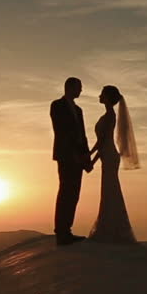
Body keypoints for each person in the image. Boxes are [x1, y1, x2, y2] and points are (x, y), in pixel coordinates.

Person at [88, 85, 140, 244]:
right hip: (107, 154)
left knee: (110, 190)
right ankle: (109, 227)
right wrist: (89, 156)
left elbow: (103, 142)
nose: (99, 96)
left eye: (102, 94)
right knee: (109, 191)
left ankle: (111, 230)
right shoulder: (108, 114)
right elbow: (100, 142)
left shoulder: (110, 115)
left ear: (108, 97)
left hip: (109, 155)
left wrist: (91, 160)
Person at [50, 77, 92, 246]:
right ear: (70, 87)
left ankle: (67, 229)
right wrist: (73, 152)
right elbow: (61, 130)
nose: (81, 90)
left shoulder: (79, 110)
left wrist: (86, 157)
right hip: (66, 155)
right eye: (79, 87)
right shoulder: (57, 105)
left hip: (78, 157)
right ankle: (61, 232)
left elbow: (83, 135)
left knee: (74, 193)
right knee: (65, 191)